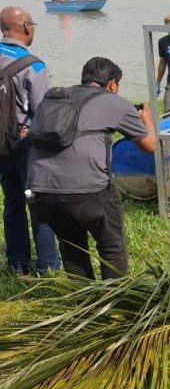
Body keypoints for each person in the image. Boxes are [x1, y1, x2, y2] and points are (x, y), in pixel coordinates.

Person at [28, 57, 157, 280]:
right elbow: (149, 145)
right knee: (111, 245)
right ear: (112, 83)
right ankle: (114, 305)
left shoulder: (56, 98)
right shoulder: (112, 101)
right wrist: (147, 120)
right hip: (87, 190)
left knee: (72, 248)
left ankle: (84, 303)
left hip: (40, 190)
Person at [0, 6, 59, 275]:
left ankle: (17, 262)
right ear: (25, 27)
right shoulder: (33, 65)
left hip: (0, 144)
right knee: (38, 202)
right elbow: (43, 113)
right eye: (33, 24)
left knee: (12, 202)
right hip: (24, 143)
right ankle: (46, 265)